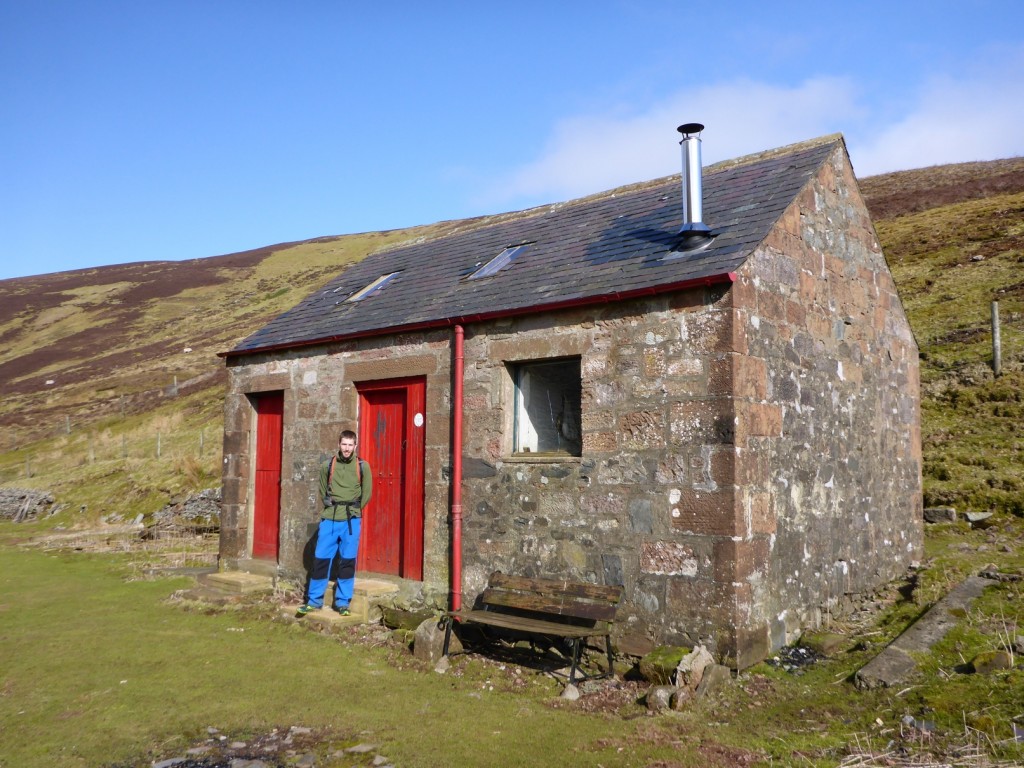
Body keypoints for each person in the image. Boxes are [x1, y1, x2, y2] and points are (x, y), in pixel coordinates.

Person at [297, 429, 372, 616]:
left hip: (351, 520)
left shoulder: (363, 466)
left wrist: (354, 509)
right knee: (321, 559)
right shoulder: (327, 465)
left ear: (355, 446)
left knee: (347, 561)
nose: (347, 449)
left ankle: (342, 602)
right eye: (344, 444)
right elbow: (323, 489)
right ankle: (314, 601)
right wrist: (331, 507)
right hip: (330, 519)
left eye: (350, 445)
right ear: (339, 444)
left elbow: (367, 493)